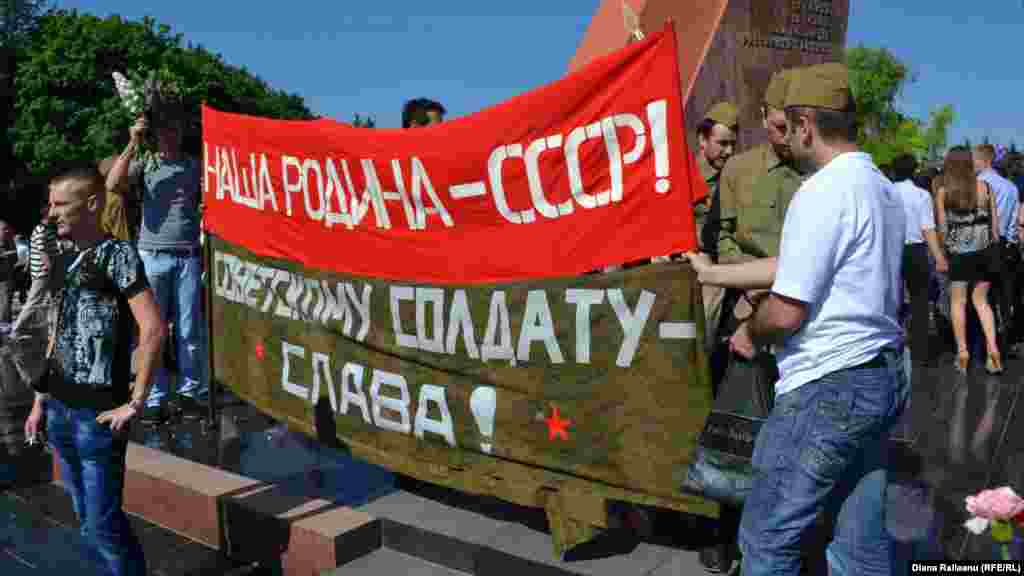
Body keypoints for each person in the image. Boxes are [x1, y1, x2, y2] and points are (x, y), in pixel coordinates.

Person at [730, 62, 908, 576]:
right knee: (859, 545)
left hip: (827, 386)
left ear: (807, 124)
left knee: (766, 541)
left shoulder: (824, 190)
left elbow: (786, 311)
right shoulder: (882, 188)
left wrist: (749, 330)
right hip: (879, 376)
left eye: (790, 126)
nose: (786, 139)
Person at [23, 163, 166, 576]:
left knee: (104, 526)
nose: (50, 214)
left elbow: (154, 328)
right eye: (49, 204)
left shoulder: (117, 254)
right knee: (87, 522)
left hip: (97, 415)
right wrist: (38, 401)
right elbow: (58, 335)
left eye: (59, 205)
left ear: (89, 205)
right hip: (61, 412)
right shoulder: (68, 258)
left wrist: (136, 402)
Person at [694, 69, 800, 575]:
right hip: (744, 312)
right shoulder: (740, 172)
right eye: (778, 127)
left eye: (794, 126)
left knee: (785, 438)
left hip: (798, 321)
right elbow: (723, 236)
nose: (786, 137)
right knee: (734, 430)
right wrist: (748, 284)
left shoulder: (813, 173)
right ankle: (723, 535)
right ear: (765, 119)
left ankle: (773, 540)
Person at [106, 109, 208, 423]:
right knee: (153, 331)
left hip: (188, 254)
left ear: (181, 132)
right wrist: (132, 142)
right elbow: (112, 183)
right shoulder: (146, 163)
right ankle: (154, 396)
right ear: (156, 134)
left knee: (190, 330)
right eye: (164, 130)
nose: (170, 135)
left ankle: (192, 393)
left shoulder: (195, 165)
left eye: (175, 129)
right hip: (151, 255)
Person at [936, 146, 1002, 374]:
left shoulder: (945, 191)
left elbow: (943, 229)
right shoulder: (986, 187)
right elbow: (995, 227)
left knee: (958, 302)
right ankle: (993, 351)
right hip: (984, 253)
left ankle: (962, 352)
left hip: (959, 255)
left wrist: (945, 251)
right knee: (982, 303)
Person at [892, 153, 948, 367]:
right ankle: (921, 351)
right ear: (914, 170)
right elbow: (927, 228)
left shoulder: (886, 193)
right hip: (915, 250)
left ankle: (893, 344)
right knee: (920, 301)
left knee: (891, 300)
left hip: (891, 250)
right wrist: (939, 257)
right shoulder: (921, 195)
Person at [974, 144, 1019, 350]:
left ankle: (985, 340)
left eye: (974, 159)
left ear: (984, 160)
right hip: (1004, 243)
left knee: (982, 293)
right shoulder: (1010, 187)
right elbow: (1013, 221)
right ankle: (1006, 338)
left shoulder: (979, 183)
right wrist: (1010, 241)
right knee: (1004, 292)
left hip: (982, 241)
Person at [10, 199, 61, 336]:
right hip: (43, 272)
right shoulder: (40, 229)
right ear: (44, 211)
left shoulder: (48, 229)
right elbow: (42, 252)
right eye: (50, 207)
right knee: (34, 300)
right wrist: (50, 269)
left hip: (48, 271)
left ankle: (53, 329)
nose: (54, 210)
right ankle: (16, 329)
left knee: (54, 299)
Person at [0, 220, 14, 324]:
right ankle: (4, 323)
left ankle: (6, 322)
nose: (6, 231)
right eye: (4, 229)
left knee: (7, 298)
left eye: (7, 229)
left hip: (7, 274)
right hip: (4, 274)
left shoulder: (9, 241)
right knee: (5, 299)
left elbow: (15, 257)